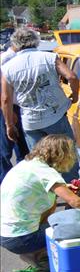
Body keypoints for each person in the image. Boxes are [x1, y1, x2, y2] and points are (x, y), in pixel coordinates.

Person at [0, 134, 80, 272]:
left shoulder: (28, 164)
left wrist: (65, 187)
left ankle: (35, 251)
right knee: (76, 229)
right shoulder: (47, 173)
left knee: (51, 204)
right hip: (23, 238)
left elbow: (36, 187)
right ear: (62, 154)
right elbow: (75, 201)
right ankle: (37, 255)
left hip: (6, 235)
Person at [1, 27, 79, 181]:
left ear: (15, 43)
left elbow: (5, 99)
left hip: (31, 121)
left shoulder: (7, 68)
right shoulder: (49, 57)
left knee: (39, 162)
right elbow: (72, 77)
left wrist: (9, 125)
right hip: (55, 115)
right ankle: (72, 186)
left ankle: (46, 189)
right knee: (66, 154)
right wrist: (74, 96)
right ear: (36, 41)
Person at [0, 47, 29, 183]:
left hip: (19, 106)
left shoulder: (17, 57)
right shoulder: (6, 59)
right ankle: (5, 182)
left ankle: (21, 181)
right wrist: (9, 112)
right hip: (8, 108)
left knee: (22, 149)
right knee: (5, 150)